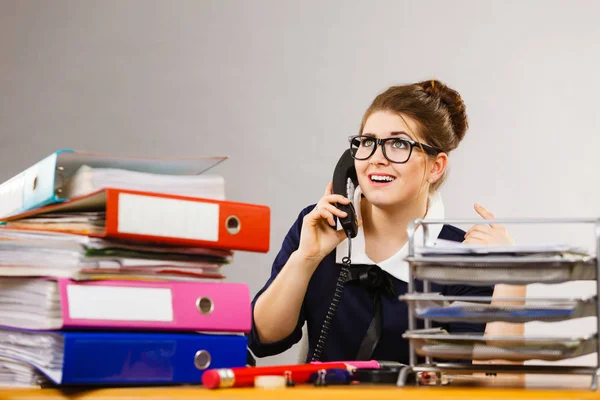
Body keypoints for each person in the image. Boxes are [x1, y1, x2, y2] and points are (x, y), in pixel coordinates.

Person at [248, 79, 526, 363]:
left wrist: (511, 276)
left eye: (398, 144)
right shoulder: (320, 225)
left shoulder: (460, 257)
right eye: (367, 142)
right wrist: (306, 257)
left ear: (436, 166)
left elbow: (493, 381)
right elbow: (265, 338)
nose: (377, 159)